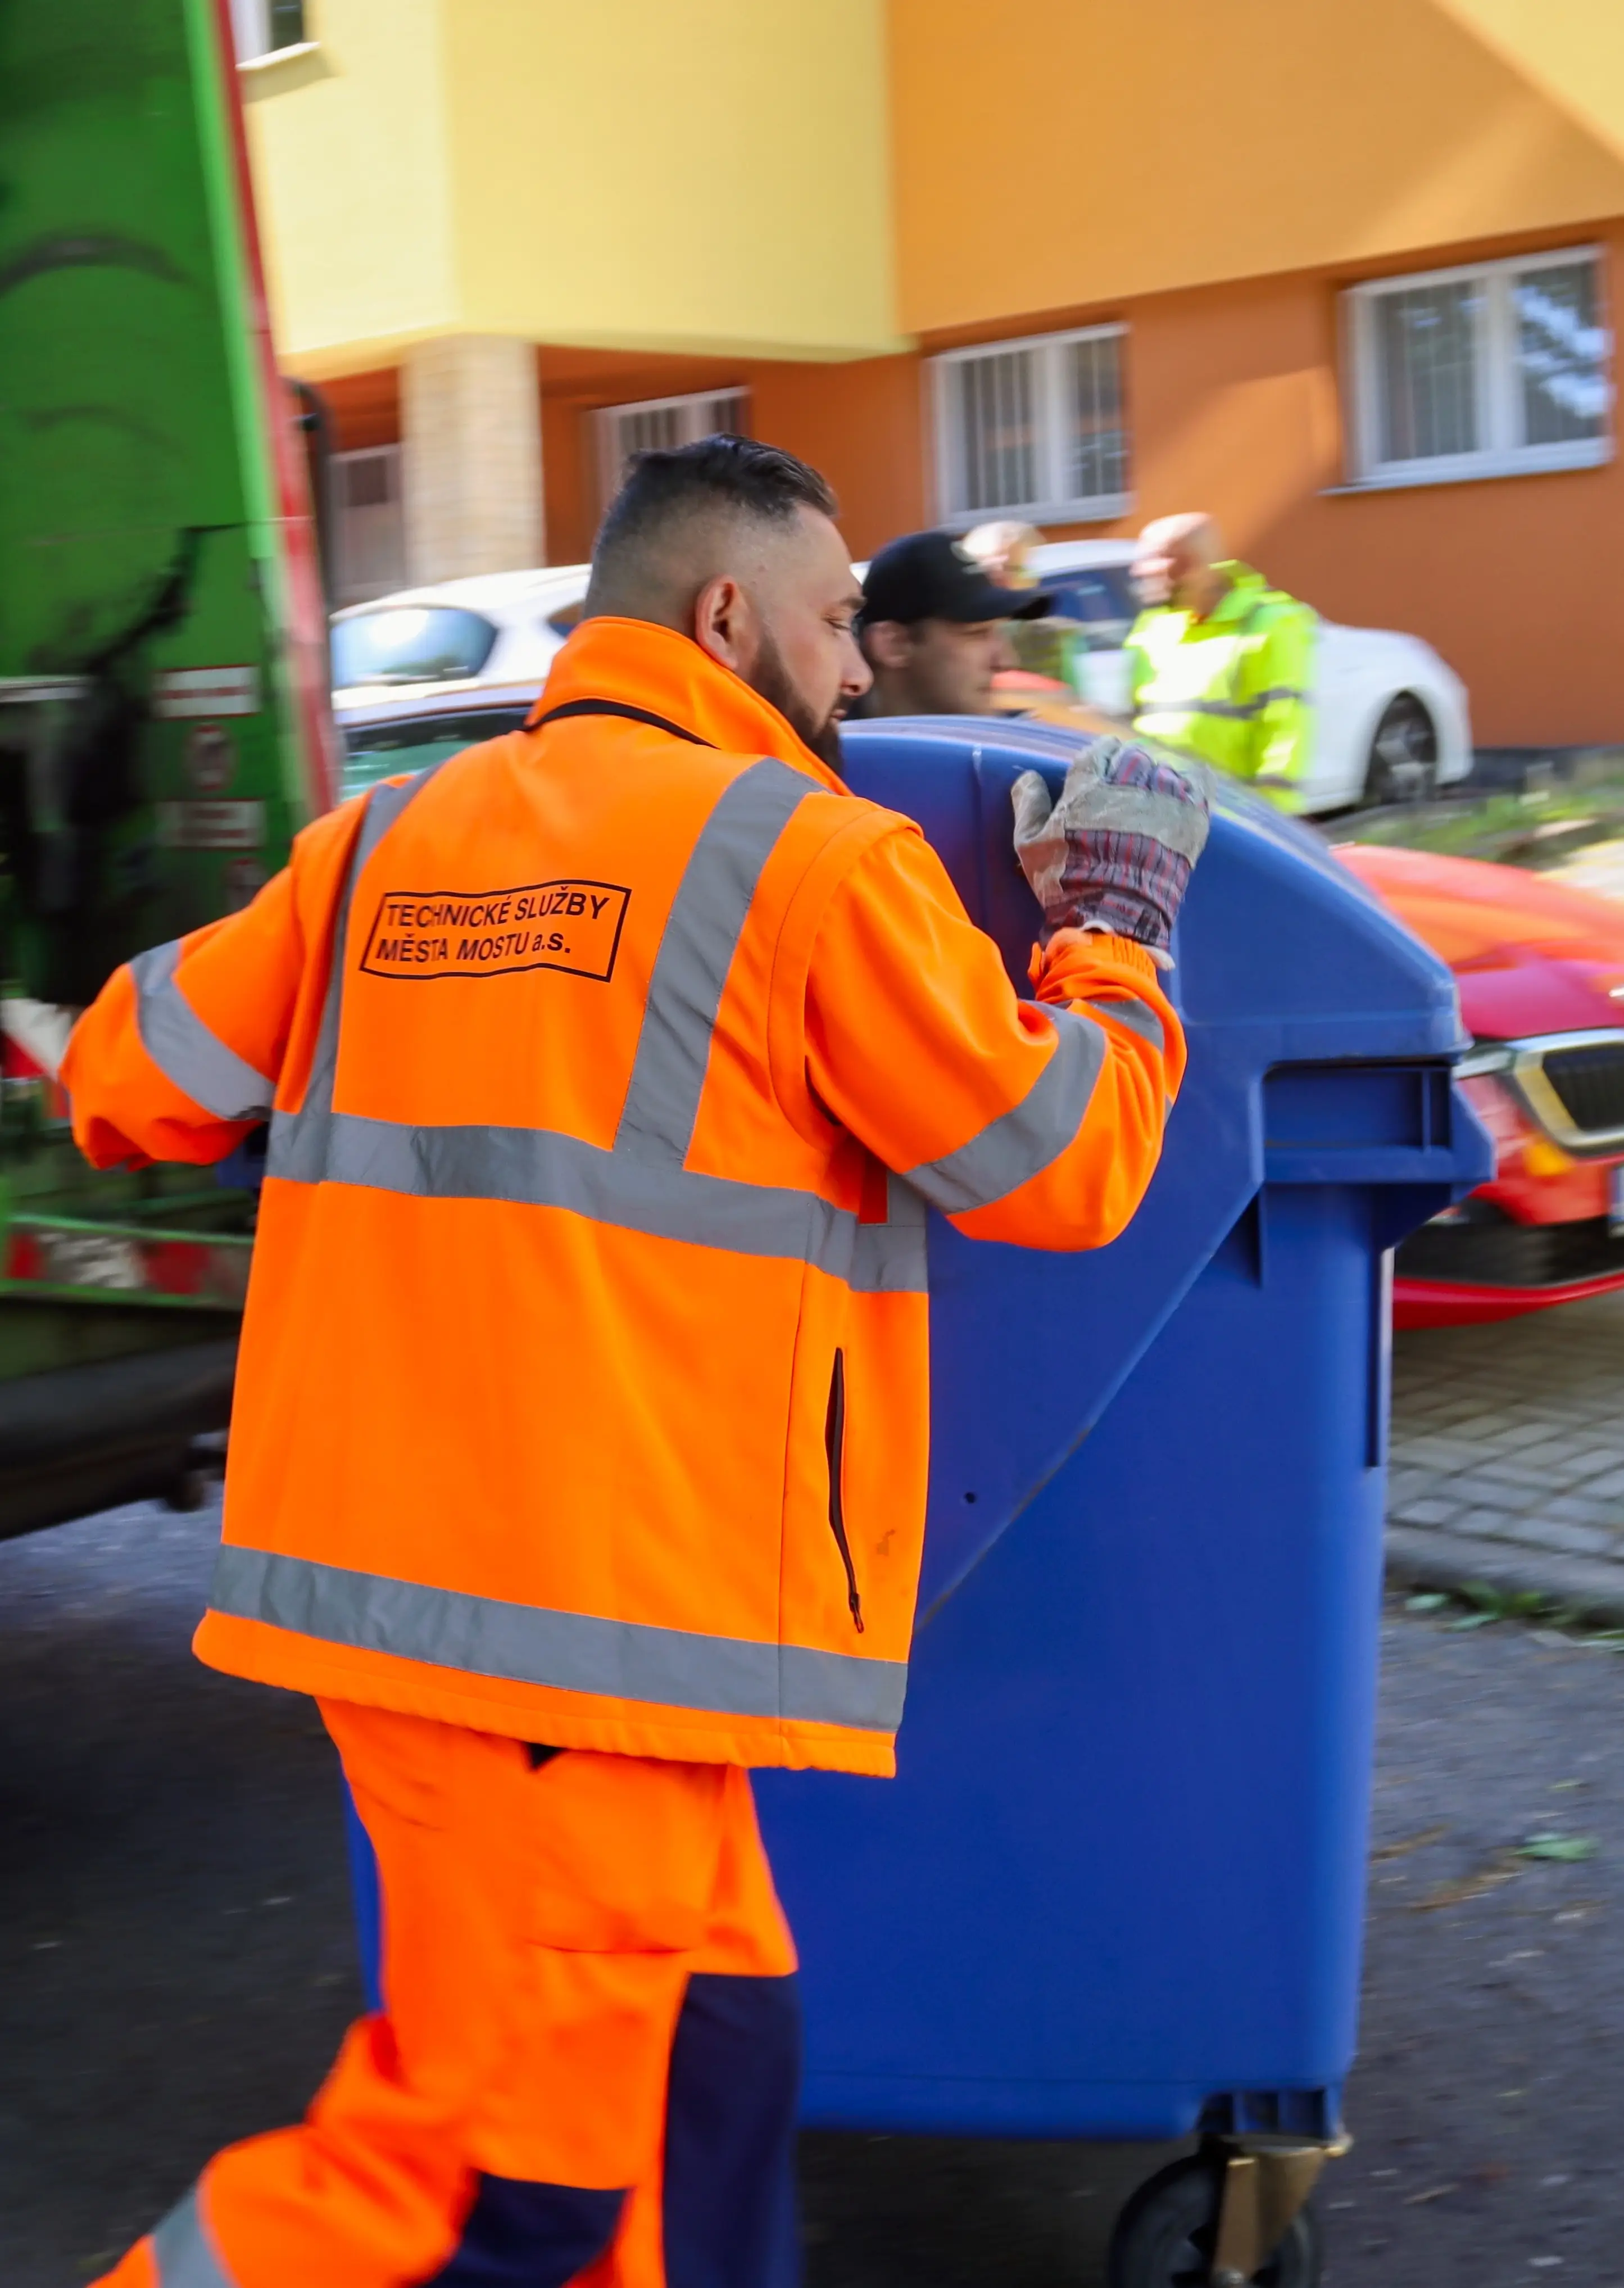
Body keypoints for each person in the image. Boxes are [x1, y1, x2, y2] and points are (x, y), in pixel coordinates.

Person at [65, 435, 1207, 2288]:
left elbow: (133, 1077)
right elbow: (1058, 1161)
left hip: (440, 1609)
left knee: (704, 2075)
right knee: (483, 2187)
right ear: (728, 613)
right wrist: (1117, 935)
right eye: (836, 622)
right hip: (576, 1634)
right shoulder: (814, 861)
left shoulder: (384, 840)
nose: (855, 669)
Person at [1126, 513, 1315, 810]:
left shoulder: (1268, 624)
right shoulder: (1154, 627)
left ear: (1189, 565)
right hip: (1159, 808)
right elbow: (1136, 724)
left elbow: (1284, 730)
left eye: (1153, 562)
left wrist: (1271, 817)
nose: (1140, 572)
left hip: (1230, 812)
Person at [848, 527, 1050, 717]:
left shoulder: (1016, 733)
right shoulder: (834, 741)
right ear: (893, 645)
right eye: (977, 633)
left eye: (999, 632)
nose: (1006, 661)